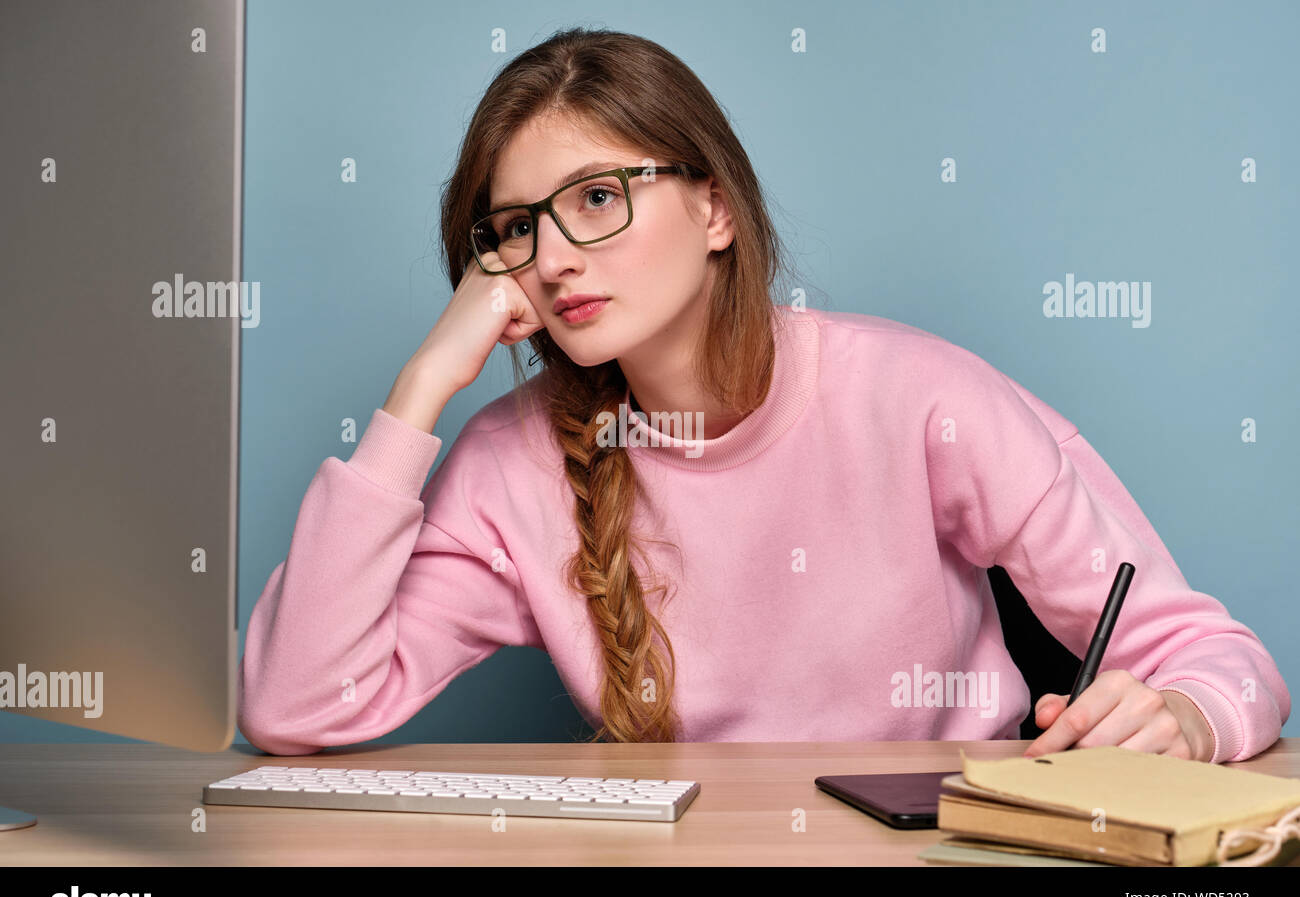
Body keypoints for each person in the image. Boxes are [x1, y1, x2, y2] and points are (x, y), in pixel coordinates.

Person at [237, 26, 1289, 762]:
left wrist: (1187, 721)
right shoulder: (512, 463)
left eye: (597, 197)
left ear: (714, 210)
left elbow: (1219, 659)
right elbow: (292, 705)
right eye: (516, 227)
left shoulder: (919, 396)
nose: (552, 257)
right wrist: (418, 390)